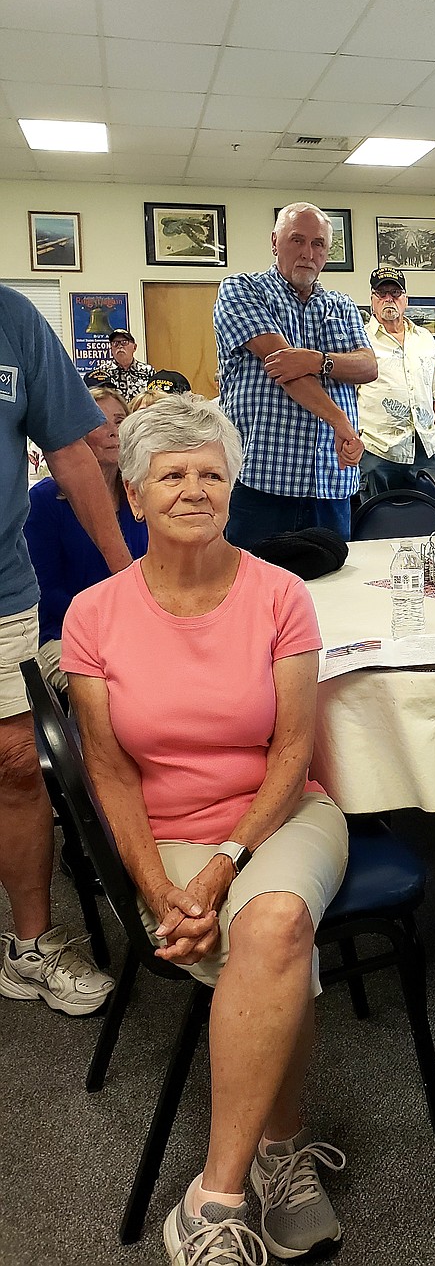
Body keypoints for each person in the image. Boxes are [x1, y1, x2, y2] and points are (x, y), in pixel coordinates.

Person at [63, 397, 350, 1265]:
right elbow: (112, 773)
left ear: (233, 488)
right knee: (278, 947)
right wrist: (159, 892)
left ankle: (212, 1197)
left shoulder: (281, 595)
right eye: (172, 474)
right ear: (135, 494)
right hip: (166, 835)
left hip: (280, 814)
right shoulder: (94, 615)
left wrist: (222, 870)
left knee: (272, 920)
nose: (195, 489)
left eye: (213, 474)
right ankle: (279, 1150)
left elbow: (293, 750)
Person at [0, 287, 129, 1017]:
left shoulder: (13, 320)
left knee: (18, 765)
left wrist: (125, 582)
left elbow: (71, 453)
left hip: (1, 588)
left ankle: (29, 946)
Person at [213, 202, 376, 549]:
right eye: (297, 240)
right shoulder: (241, 290)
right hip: (261, 482)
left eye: (318, 244)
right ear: (275, 242)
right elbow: (285, 370)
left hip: (331, 484)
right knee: (253, 595)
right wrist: (340, 421)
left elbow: (368, 367)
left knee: (333, 596)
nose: (307, 253)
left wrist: (317, 360)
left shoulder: (341, 304)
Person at [23, 385, 148, 690]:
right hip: (62, 633)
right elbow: (46, 592)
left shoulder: (143, 493)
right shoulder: (44, 501)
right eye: (98, 422)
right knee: (119, 687)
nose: (112, 432)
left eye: (119, 421)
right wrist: (111, 625)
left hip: (139, 628)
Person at [356, 267, 435, 503]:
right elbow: (346, 395)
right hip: (377, 451)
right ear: (372, 300)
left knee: (427, 523)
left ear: (405, 299)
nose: (389, 299)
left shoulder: (424, 338)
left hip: (425, 452)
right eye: (382, 293)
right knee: (377, 524)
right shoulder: (359, 339)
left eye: (395, 293)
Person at [87, 328, 155, 405]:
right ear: (111, 349)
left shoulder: (147, 370)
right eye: (115, 343)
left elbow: (153, 397)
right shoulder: (102, 372)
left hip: (140, 414)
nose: (119, 346)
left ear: (134, 347)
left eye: (124, 342)